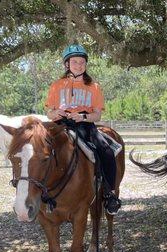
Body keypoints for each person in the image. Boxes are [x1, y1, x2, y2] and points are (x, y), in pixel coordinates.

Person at [45, 44, 122, 215]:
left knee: (106, 150)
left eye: (82, 62)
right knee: (39, 151)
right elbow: (49, 112)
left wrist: (83, 117)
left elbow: (97, 115)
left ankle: (110, 194)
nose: (79, 65)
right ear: (67, 64)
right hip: (61, 124)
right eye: (75, 62)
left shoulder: (93, 87)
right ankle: (40, 192)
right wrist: (55, 112)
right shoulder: (57, 85)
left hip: (85, 125)